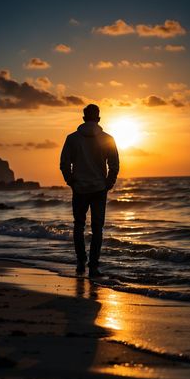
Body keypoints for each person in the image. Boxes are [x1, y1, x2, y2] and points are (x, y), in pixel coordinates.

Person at [60, 104, 119, 277]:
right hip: (99, 188)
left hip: (80, 188)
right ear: (99, 119)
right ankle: (93, 266)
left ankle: (80, 262)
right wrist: (109, 182)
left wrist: (70, 180)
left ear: (84, 118)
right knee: (97, 228)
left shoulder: (72, 138)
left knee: (78, 225)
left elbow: (64, 163)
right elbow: (114, 164)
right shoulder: (107, 138)